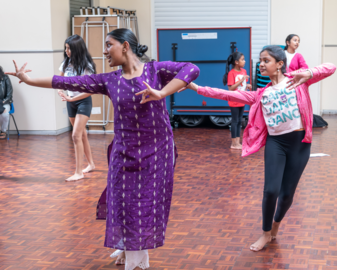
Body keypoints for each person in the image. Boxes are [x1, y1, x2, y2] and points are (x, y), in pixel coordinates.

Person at [6, 28, 200, 270]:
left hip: (157, 152)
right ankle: (128, 246)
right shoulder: (109, 80)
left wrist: (161, 92)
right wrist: (28, 80)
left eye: (109, 45)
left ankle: (136, 258)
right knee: (123, 201)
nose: (104, 50)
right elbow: (67, 81)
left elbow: (192, 69)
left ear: (125, 46)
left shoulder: (155, 70)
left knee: (145, 203)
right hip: (124, 152)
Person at [183, 46, 336, 251]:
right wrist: (196, 88)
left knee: (287, 195)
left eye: (266, 60)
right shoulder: (261, 94)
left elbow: (331, 67)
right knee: (271, 190)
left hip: (299, 143)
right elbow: (225, 94)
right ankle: (265, 233)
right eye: (260, 60)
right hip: (276, 144)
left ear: (280, 64)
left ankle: (276, 225)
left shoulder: (298, 82)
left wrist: (308, 73)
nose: (261, 64)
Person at [56, 35, 96, 181]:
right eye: (65, 48)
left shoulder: (87, 66)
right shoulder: (65, 63)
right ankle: (91, 164)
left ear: (77, 49)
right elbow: (59, 81)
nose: (66, 51)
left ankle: (78, 172)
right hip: (70, 101)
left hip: (84, 101)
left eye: (69, 48)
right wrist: (60, 90)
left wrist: (72, 98)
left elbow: (91, 90)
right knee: (82, 134)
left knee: (75, 135)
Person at [223, 51, 252, 149]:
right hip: (234, 101)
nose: (244, 61)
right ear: (236, 62)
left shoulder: (244, 71)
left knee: (240, 121)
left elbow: (242, 86)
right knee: (235, 121)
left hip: (242, 100)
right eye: (242, 59)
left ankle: (238, 142)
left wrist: (247, 85)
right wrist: (241, 80)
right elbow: (231, 88)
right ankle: (233, 143)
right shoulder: (231, 73)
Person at [0, 66, 13, 140]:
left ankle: (3, 130)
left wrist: (3, 102)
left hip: (5, 102)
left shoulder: (5, 78)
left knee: (4, 114)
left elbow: (9, 93)